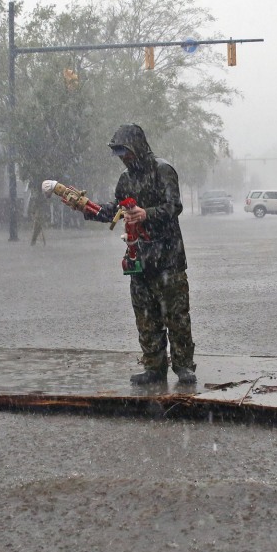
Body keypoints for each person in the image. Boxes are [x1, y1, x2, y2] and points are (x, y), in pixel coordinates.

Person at [85, 124, 197, 386]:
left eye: (125, 151)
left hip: (169, 257)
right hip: (140, 258)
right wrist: (91, 210)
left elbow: (173, 206)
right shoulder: (125, 179)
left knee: (176, 315)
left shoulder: (163, 170)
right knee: (146, 316)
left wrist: (147, 213)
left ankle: (183, 366)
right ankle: (154, 367)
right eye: (118, 152)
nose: (123, 157)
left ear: (138, 147)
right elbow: (116, 209)